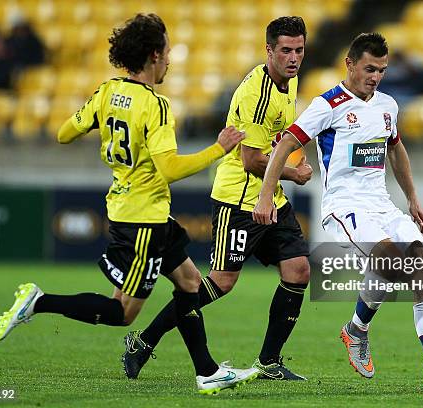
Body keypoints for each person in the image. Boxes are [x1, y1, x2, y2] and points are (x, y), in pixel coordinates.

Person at [0, 13, 258, 395]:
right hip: (142, 222)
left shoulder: (107, 91)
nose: (170, 59)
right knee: (122, 313)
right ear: (154, 55)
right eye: (167, 51)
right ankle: (39, 302)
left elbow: (65, 132)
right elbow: (168, 169)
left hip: (142, 212)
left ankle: (207, 371)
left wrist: (105, 121)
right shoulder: (156, 105)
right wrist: (220, 148)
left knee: (189, 282)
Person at [253, 33, 423, 391]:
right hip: (345, 207)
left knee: (420, 268)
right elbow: (284, 147)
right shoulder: (327, 105)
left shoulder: (388, 105)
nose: (375, 77)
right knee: (399, 266)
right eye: (369, 69)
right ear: (350, 64)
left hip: (383, 206)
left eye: (382, 70)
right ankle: (360, 330)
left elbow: (396, 149)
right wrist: (266, 196)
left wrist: (413, 197)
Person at [122, 16, 312, 381]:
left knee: (298, 269)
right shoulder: (257, 94)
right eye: (285, 50)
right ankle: (143, 341)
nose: (293, 57)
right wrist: (294, 173)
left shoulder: (289, 80)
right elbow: (252, 160)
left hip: (269, 196)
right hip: (239, 198)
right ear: (268, 50)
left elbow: (276, 141)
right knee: (221, 282)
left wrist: (288, 159)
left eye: (299, 50)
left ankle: (269, 363)